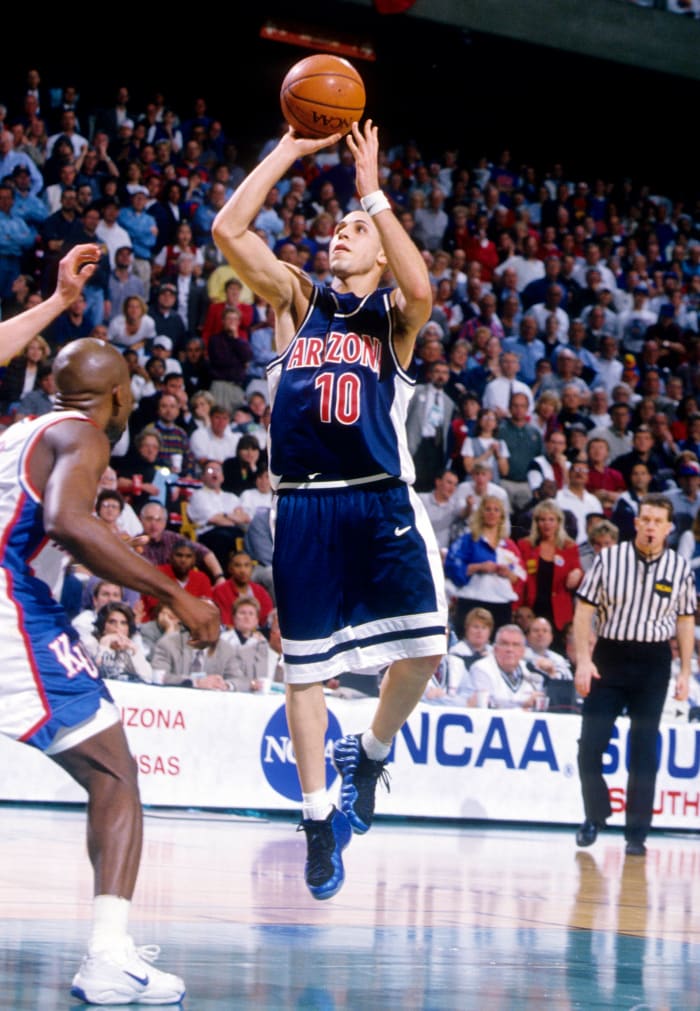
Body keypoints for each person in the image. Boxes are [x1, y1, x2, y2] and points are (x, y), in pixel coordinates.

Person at [212, 119, 446, 901]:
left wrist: (371, 192)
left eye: (355, 231)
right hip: (306, 506)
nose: (339, 236)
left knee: (425, 652)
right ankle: (318, 820)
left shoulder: (390, 318)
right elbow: (227, 229)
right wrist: (287, 147)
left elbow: (421, 289)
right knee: (303, 673)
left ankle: (372, 752)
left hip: (380, 501)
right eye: (336, 228)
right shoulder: (296, 297)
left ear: (378, 246)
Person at [0, 335, 220, 1003]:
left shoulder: (23, 431)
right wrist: (175, 592)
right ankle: (108, 955)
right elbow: (68, 521)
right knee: (115, 770)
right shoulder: (83, 435)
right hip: (12, 606)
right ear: (121, 397)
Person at [573, 494, 696, 857]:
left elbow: (686, 621)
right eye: (646, 519)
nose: (651, 526)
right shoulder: (609, 559)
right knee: (590, 746)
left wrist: (686, 671)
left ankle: (637, 834)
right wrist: (583, 659)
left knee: (644, 750)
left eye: (659, 521)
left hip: (654, 661)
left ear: (670, 528)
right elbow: (584, 611)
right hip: (609, 655)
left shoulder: (679, 567)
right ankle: (595, 814)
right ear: (637, 523)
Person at [445, 494, 525, 634]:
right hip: (472, 600)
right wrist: (479, 567)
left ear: (502, 516)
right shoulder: (468, 540)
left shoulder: (509, 545)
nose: (492, 513)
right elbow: (452, 567)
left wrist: (508, 573)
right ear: (481, 513)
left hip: (501, 603)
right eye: (488, 509)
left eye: (496, 510)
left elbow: (520, 578)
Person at [516, 499, 583, 651]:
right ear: (536, 523)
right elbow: (520, 579)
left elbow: (577, 577)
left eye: (551, 519)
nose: (547, 524)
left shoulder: (569, 547)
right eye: (542, 520)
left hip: (559, 612)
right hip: (532, 607)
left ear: (558, 522)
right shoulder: (525, 545)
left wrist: (578, 574)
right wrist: (519, 607)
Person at [462, 624, 546, 709]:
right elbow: (487, 708)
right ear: (495, 649)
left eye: (516, 645)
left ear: (523, 651)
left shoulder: (530, 672)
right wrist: (523, 707)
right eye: (505, 644)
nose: (510, 649)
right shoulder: (481, 669)